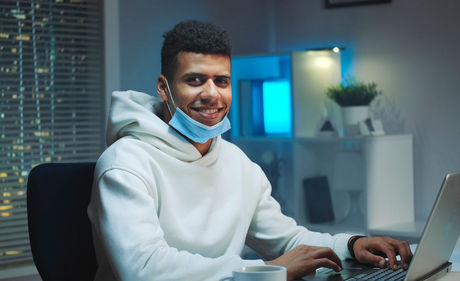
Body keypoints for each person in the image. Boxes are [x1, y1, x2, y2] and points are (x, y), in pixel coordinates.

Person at [87, 20, 413, 281]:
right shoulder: (125, 163)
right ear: (163, 87)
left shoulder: (236, 163)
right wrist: (269, 271)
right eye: (196, 80)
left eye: (222, 81)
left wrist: (351, 245)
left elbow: (285, 240)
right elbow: (144, 268)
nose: (212, 94)